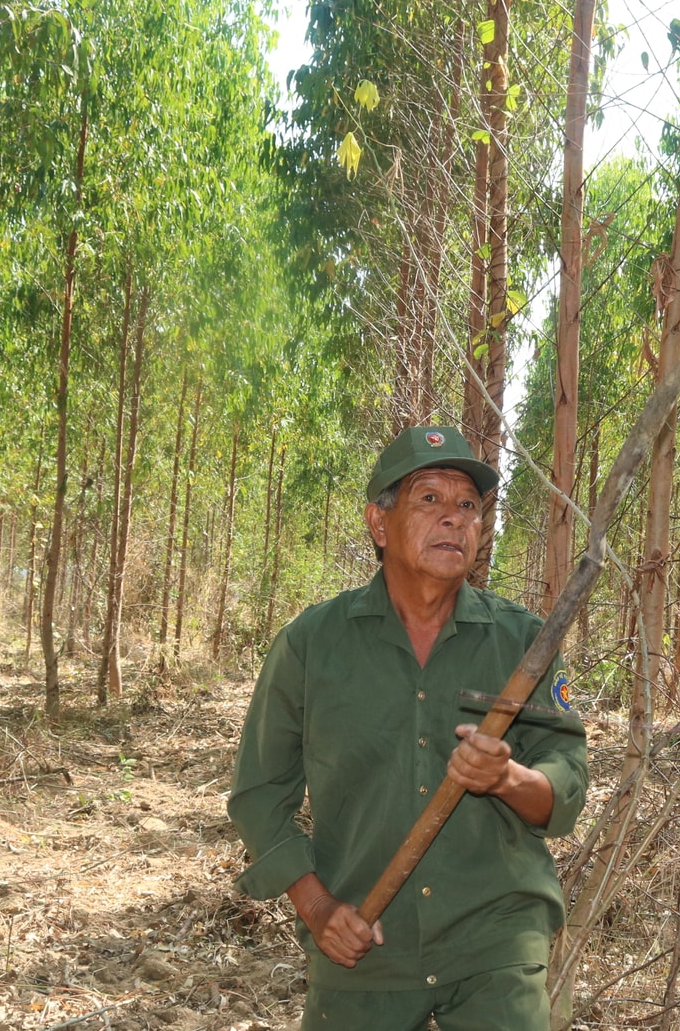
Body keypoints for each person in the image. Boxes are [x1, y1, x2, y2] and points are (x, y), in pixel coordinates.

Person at [228, 426, 587, 1031]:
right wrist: (318, 908)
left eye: (468, 505)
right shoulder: (312, 645)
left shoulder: (522, 642)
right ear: (378, 522)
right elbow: (260, 794)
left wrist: (506, 777)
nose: (454, 519)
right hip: (365, 938)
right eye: (429, 499)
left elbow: (567, 780)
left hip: (495, 936)